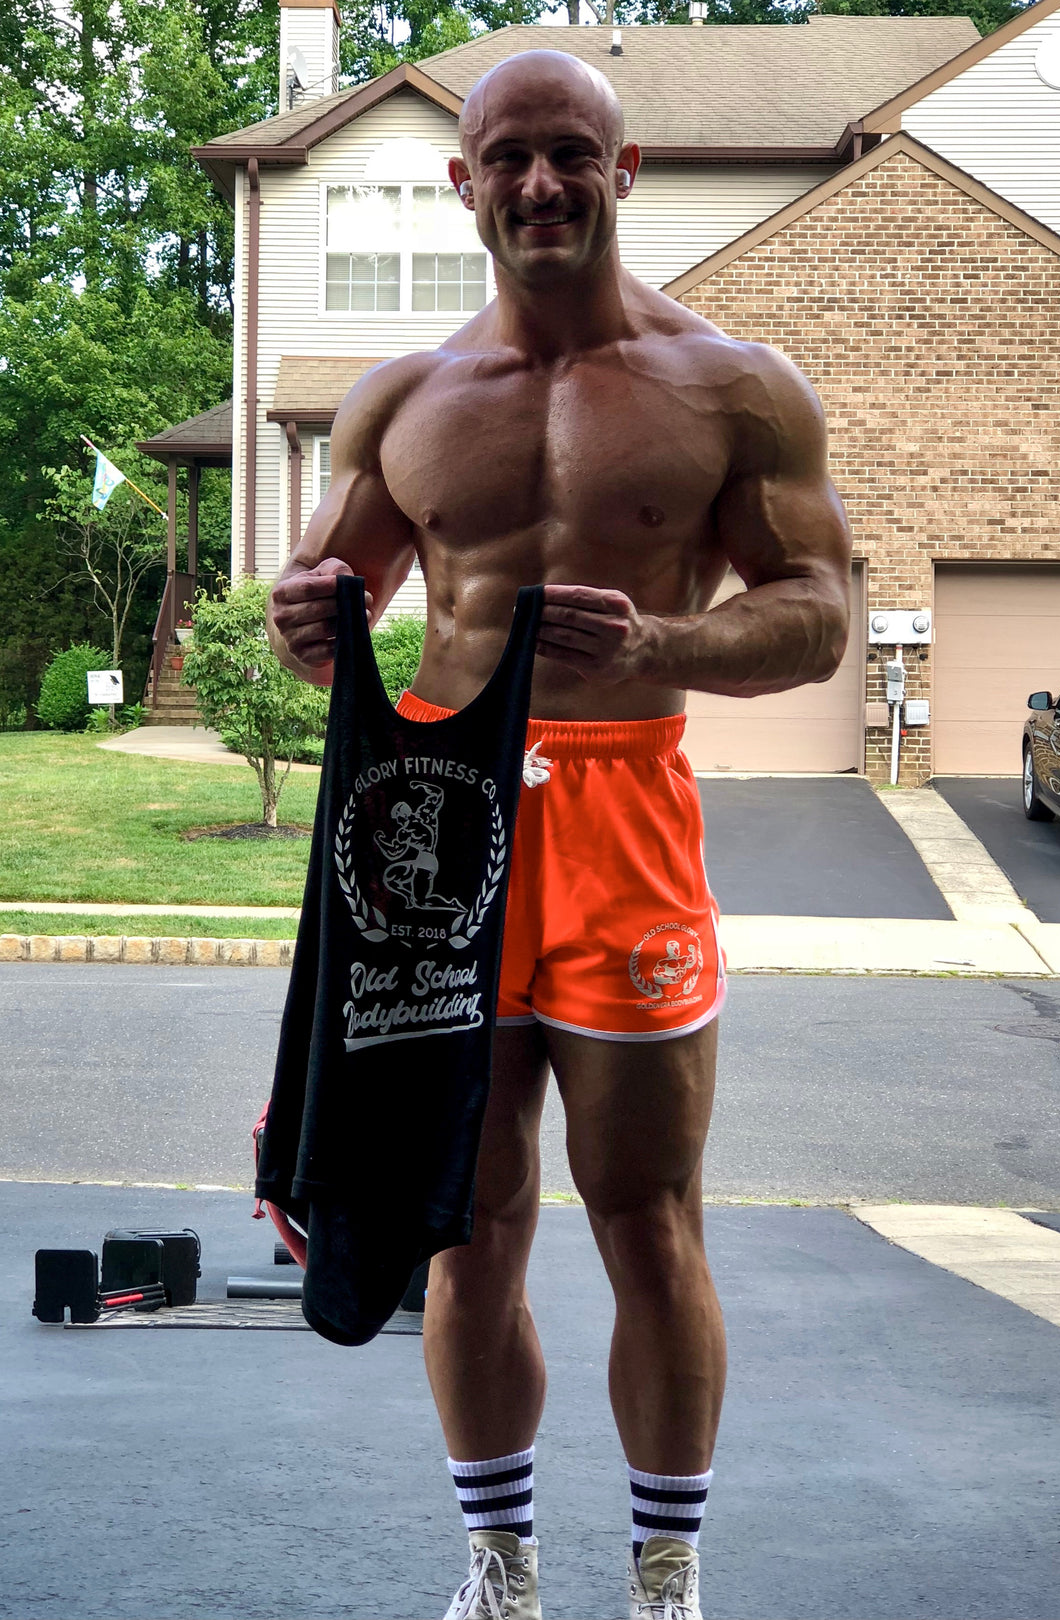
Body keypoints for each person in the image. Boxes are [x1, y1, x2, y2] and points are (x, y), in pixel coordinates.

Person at [267, 49, 852, 1620]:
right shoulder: (402, 402)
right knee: (472, 1225)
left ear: (626, 166)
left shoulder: (736, 386)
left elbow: (820, 619)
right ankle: (499, 1562)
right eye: (509, 157)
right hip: (439, 832)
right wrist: (307, 625)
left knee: (646, 1211)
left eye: (571, 155)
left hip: (625, 818)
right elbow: (330, 610)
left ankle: (666, 1570)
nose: (541, 185)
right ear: (462, 181)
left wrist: (658, 653)